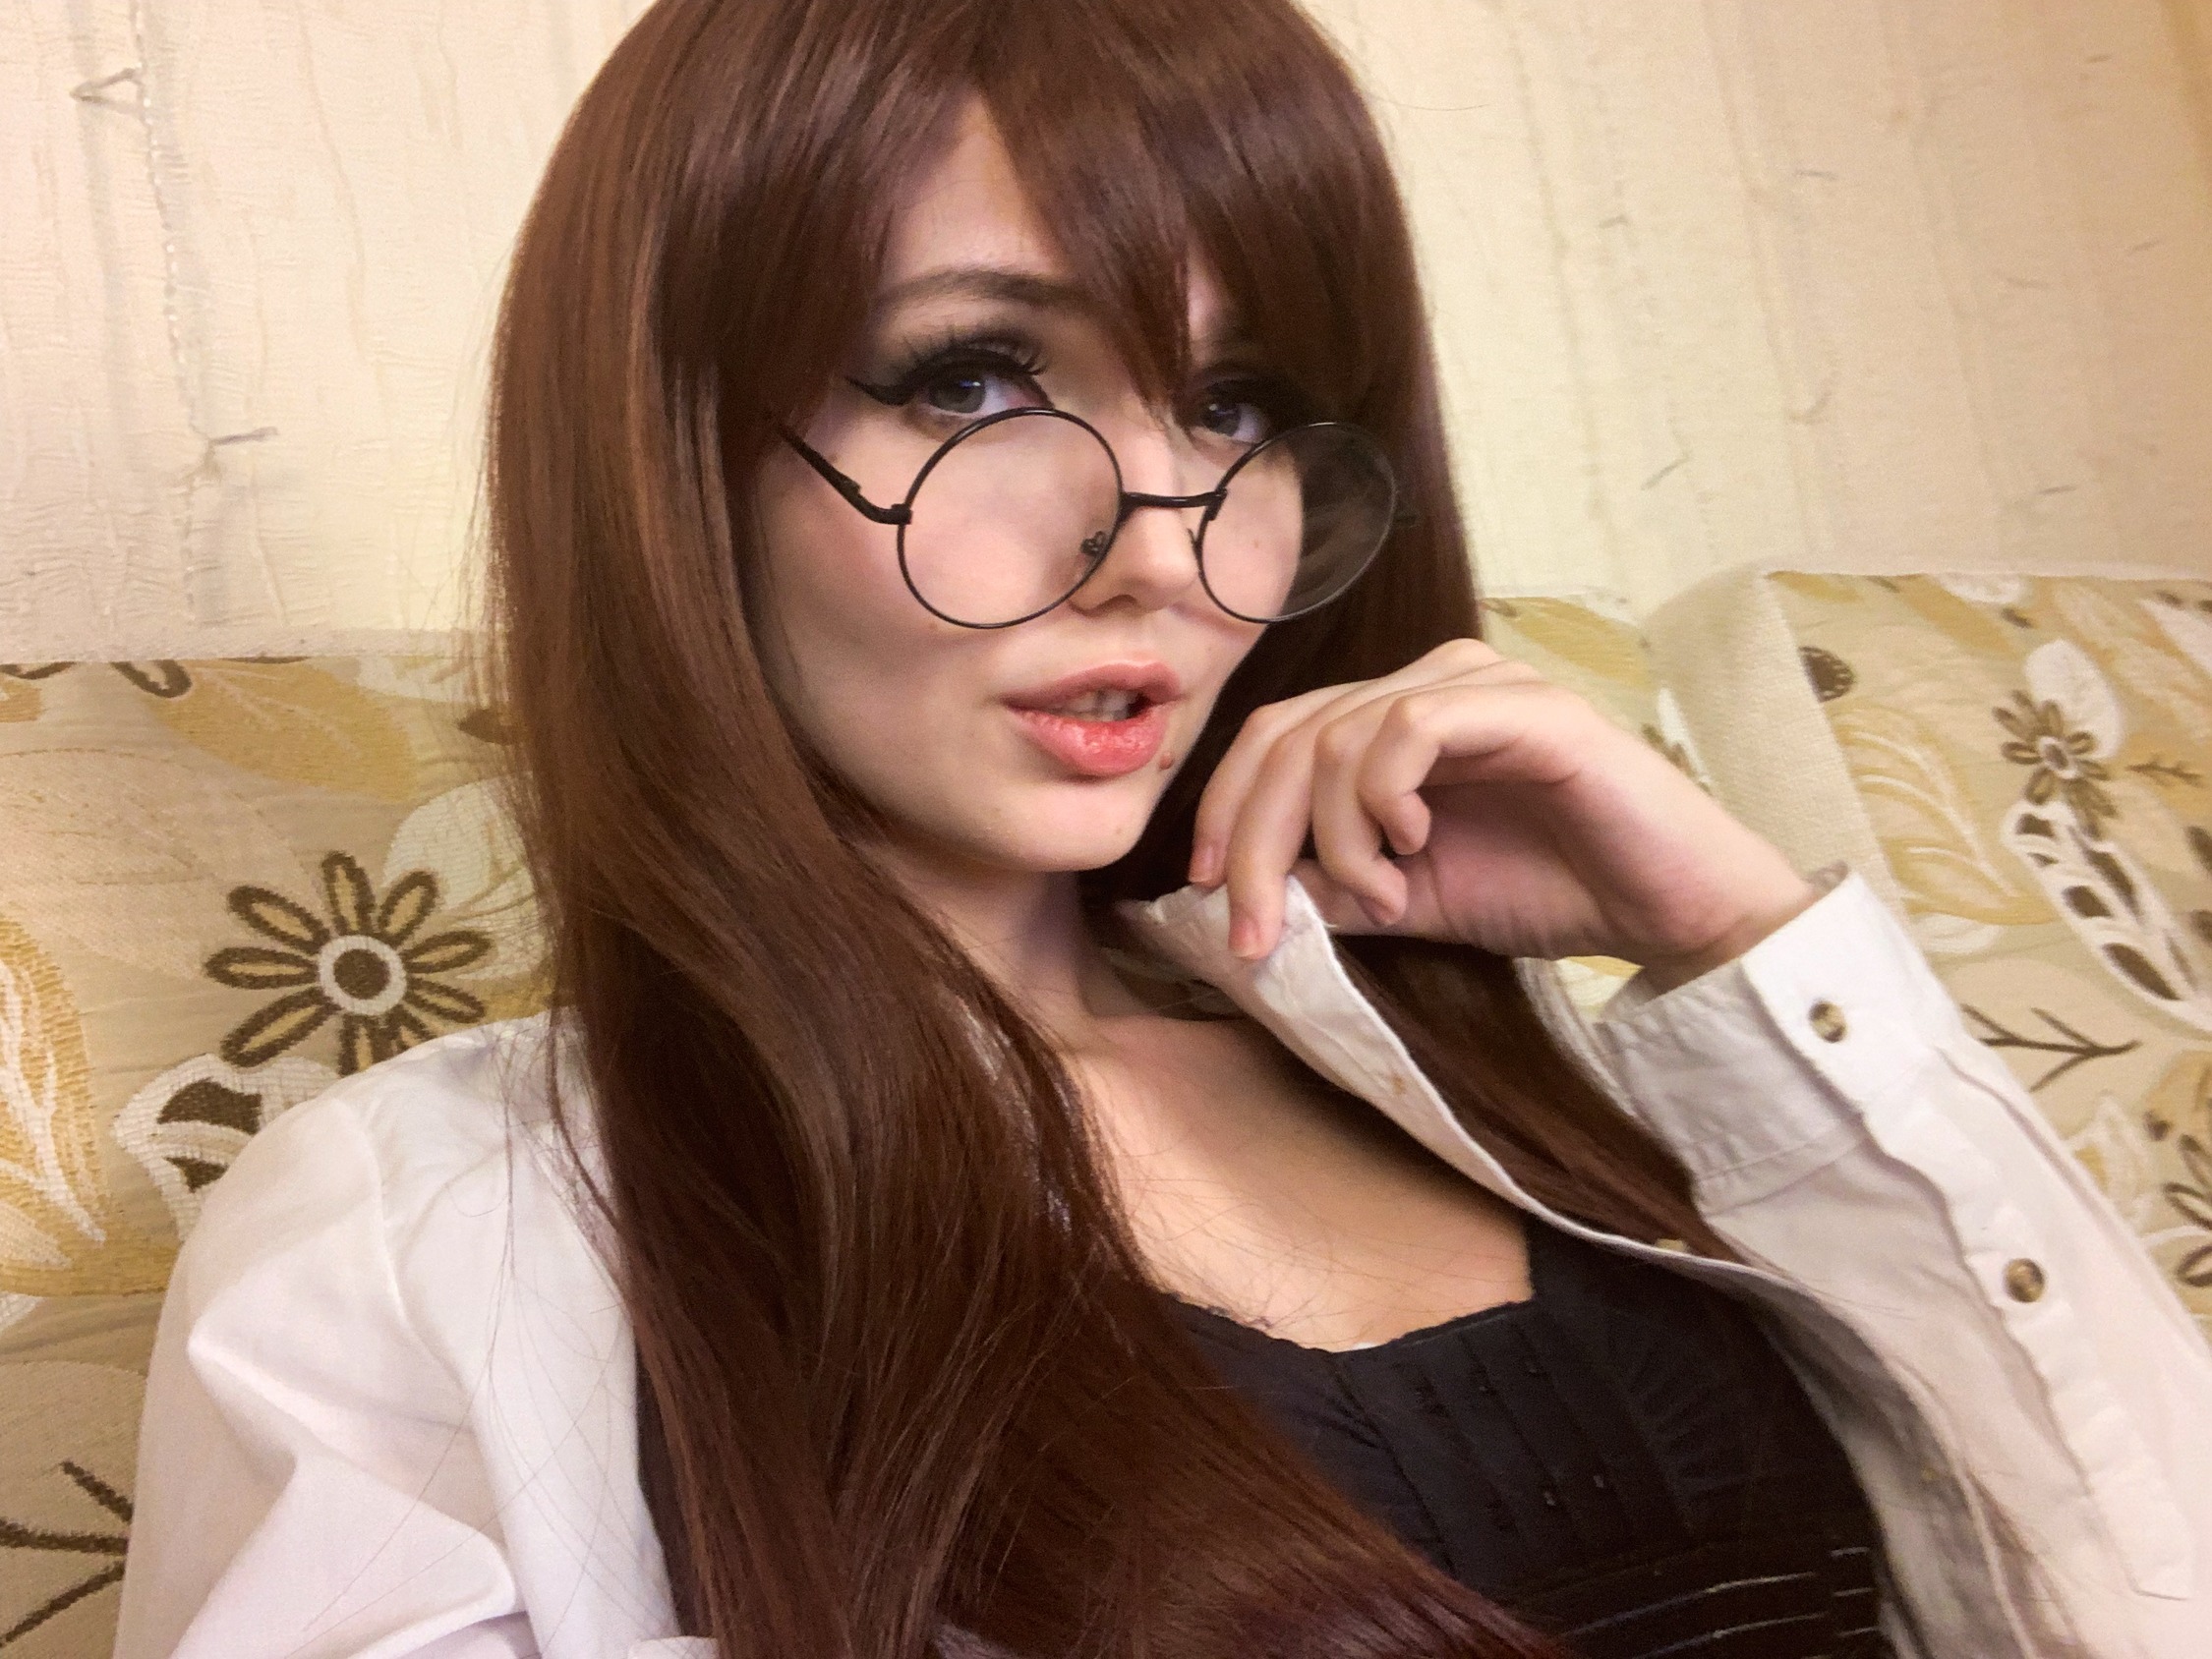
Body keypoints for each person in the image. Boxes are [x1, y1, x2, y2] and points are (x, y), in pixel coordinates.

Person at [112, 1, 2212, 1655]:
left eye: (1235, 407)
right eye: (970, 380)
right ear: (673, 459)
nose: (1162, 550)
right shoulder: (428, 1234)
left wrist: (1739, 945)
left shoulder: (1502, 1068)